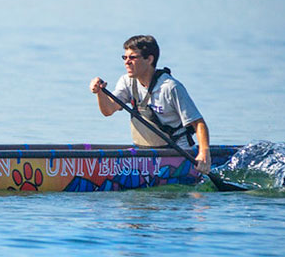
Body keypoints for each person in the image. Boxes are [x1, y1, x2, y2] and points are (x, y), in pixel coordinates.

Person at [89, 35, 211, 173]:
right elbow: (108, 110)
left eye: (132, 58)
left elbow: (198, 123)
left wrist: (204, 153)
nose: (127, 62)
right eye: (125, 58)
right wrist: (100, 93)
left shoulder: (170, 87)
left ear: (149, 59)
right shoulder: (127, 82)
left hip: (177, 155)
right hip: (144, 154)